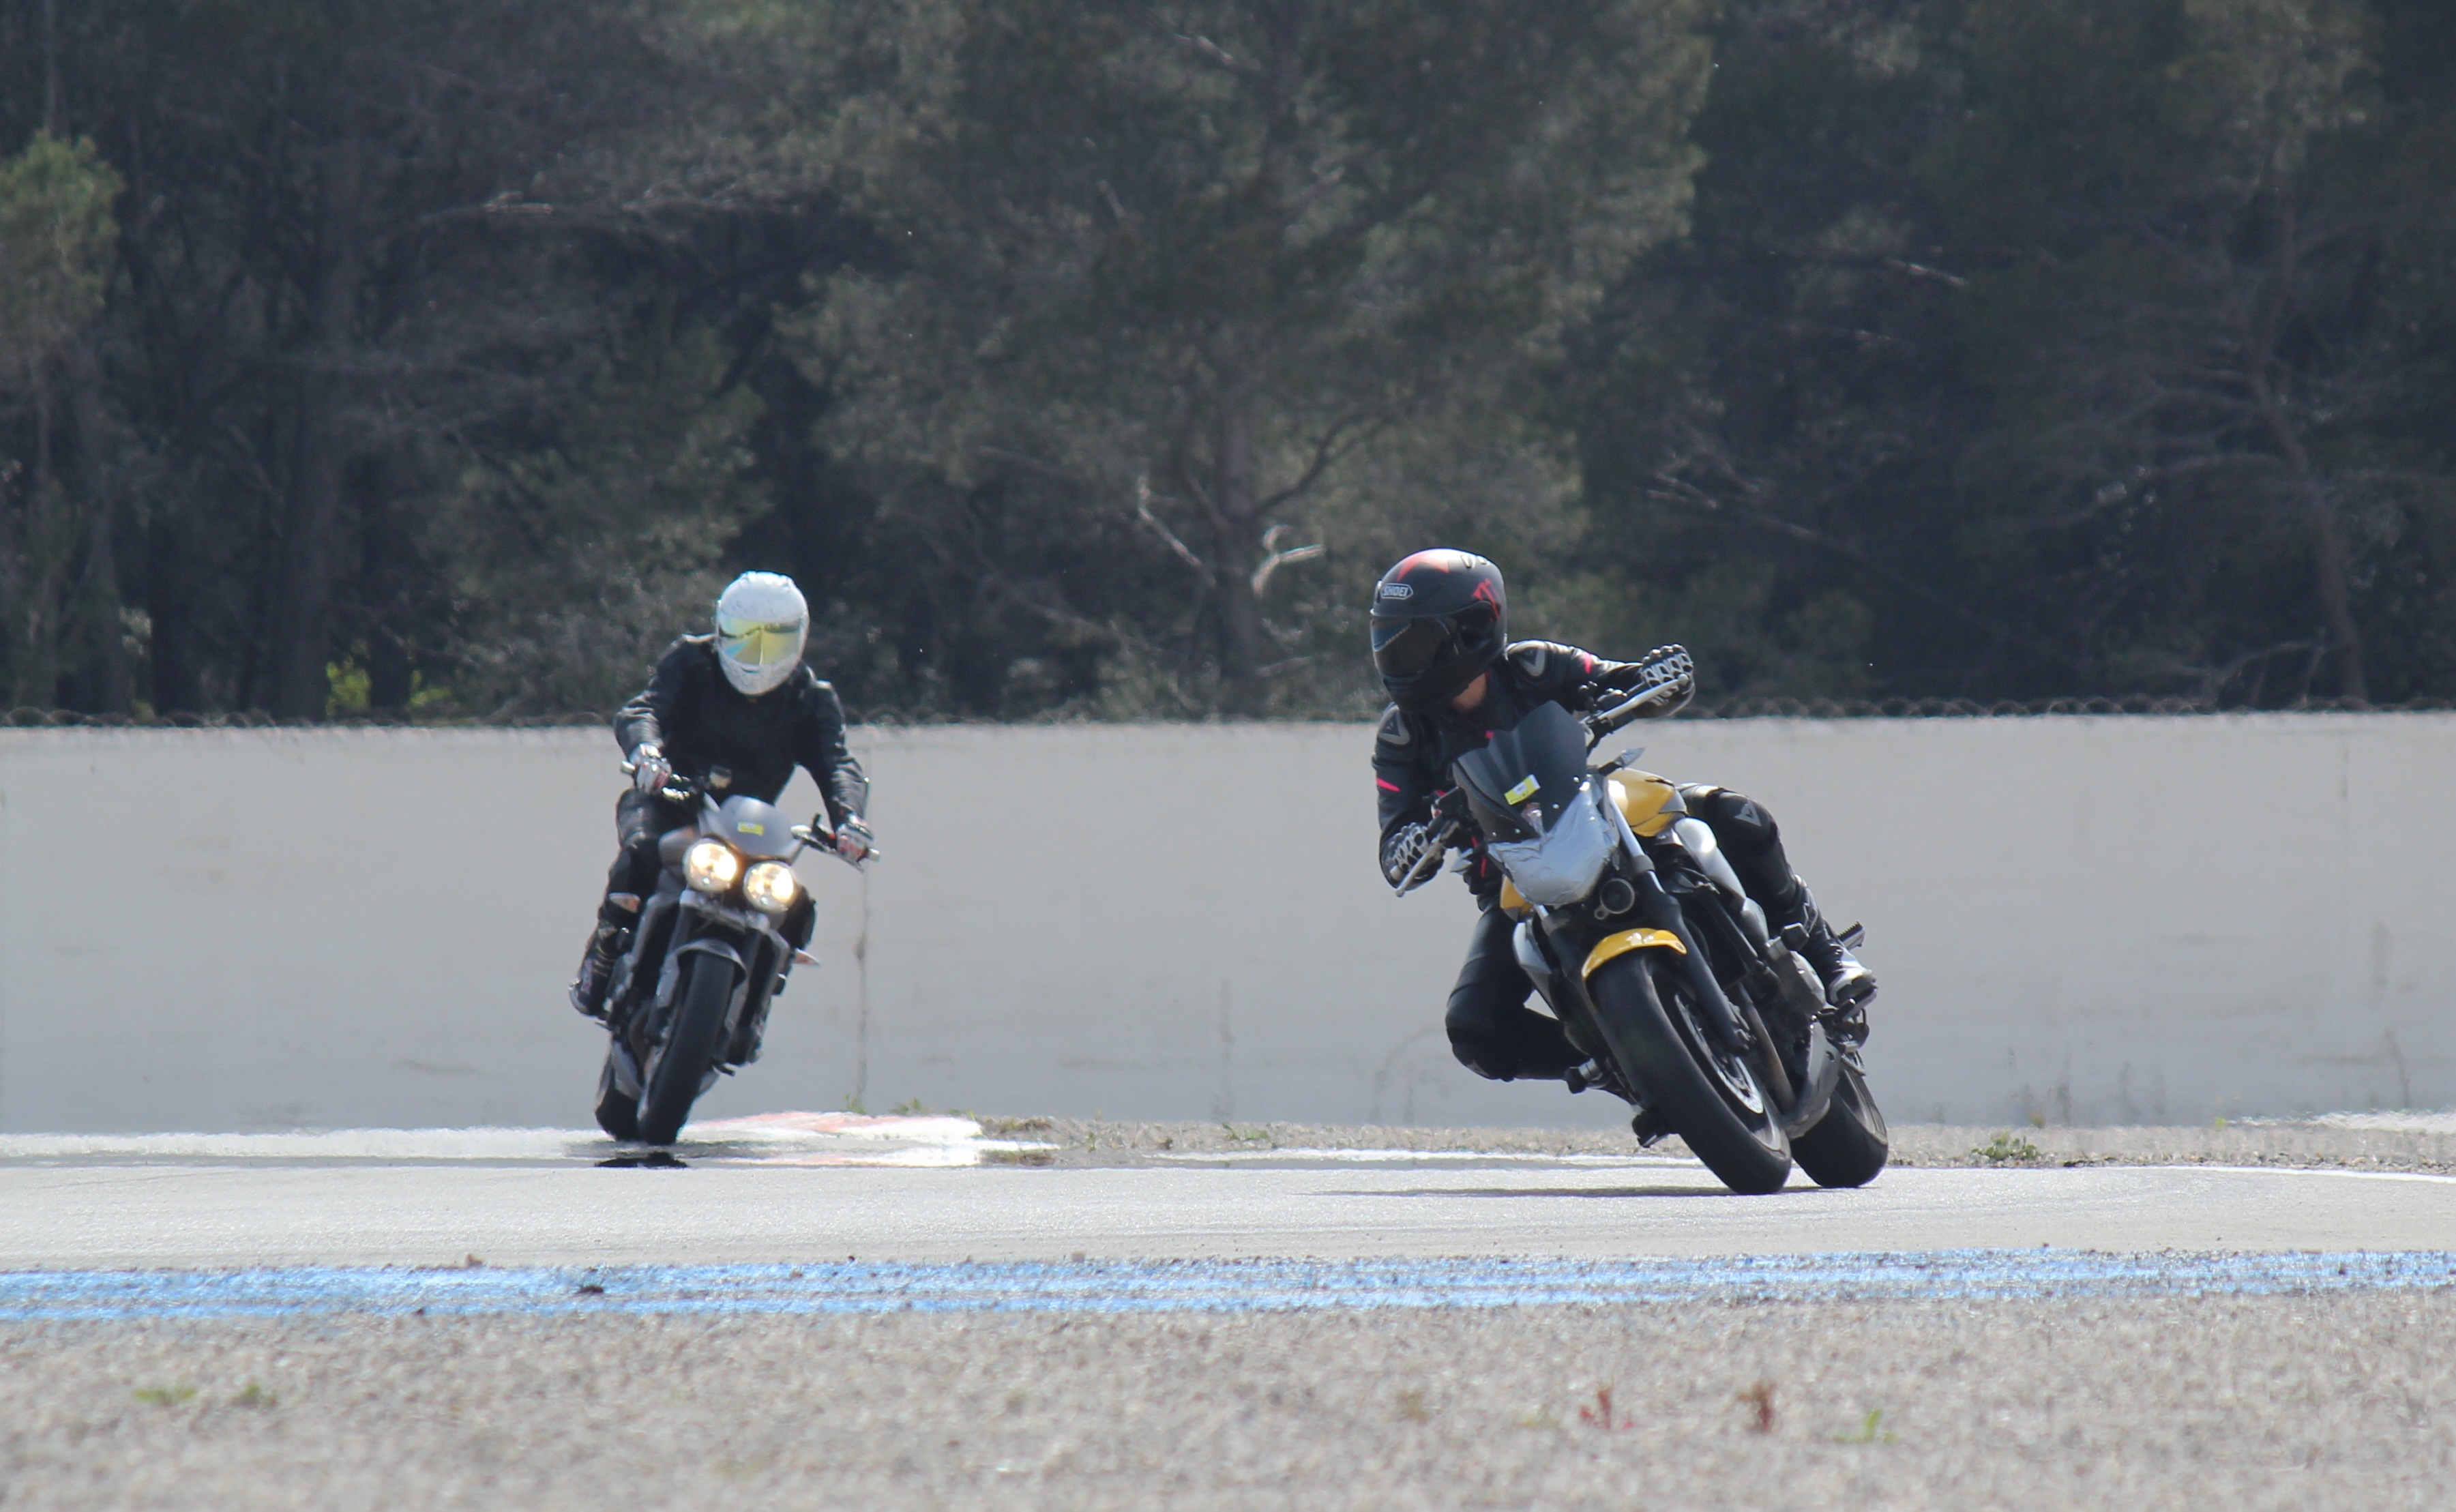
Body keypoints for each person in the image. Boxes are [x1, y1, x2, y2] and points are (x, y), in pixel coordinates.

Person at [1367, 548, 1874, 1085]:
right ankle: (1624, 1068)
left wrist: (1655, 678)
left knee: (1735, 814)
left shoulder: (1533, 665)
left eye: (1415, 643)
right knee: (1474, 1030)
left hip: (1601, 820)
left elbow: (1618, 679)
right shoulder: (1401, 734)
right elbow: (1394, 833)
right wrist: (1410, 844)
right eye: (1390, 644)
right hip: (1515, 887)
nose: (1401, 661)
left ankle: (1825, 952)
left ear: (1472, 628)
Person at [569, 571, 875, 1018]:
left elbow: (837, 763)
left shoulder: (810, 698)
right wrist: (647, 753)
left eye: (772, 642)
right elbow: (644, 708)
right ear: (720, 631)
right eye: (744, 639)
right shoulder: (692, 662)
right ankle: (604, 956)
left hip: (748, 826)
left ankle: (755, 1002)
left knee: (796, 906)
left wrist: (850, 820)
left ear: (799, 640)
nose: (757, 655)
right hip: (669, 800)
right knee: (639, 854)